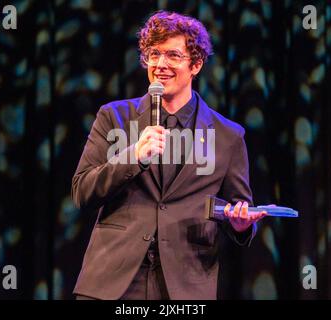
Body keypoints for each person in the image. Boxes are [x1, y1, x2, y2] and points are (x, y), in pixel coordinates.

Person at [72, 10, 267, 300]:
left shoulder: (228, 136)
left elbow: (238, 208)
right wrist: (133, 156)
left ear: (196, 64)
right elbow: (82, 192)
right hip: (113, 283)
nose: (160, 64)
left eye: (173, 55)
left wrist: (239, 225)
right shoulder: (114, 117)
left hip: (185, 285)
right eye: (154, 54)